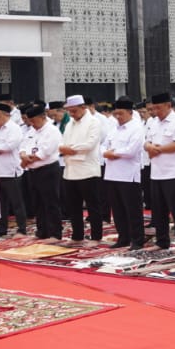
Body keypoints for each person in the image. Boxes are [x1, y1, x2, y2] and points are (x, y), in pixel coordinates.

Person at [143, 92, 175, 251]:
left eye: (159, 108)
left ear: (168, 106)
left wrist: (158, 149)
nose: (156, 111)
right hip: (156, 172)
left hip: (174, 173)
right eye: (153, 108)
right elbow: (147, 142)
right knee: (158, 211)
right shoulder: (152, 122)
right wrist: (149, 147)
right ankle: (162, 241)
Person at [58, 95, 104, 245]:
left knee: (93, 206)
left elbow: (90, 144)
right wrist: (68, 150)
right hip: (70, 169)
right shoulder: (70, 123)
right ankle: (77, 236)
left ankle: (96, 237)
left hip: (88, 170)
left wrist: (71, 149)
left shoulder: (94, 122)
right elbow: (63, 143)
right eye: (69, 111)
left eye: (74, 111)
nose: (72, 114)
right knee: (73, 206)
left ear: (83, 108)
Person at [101, 99, 145, 249]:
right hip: (112, 173)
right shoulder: (114, 129)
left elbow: (131, 151)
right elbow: (102, 147)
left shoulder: (137, 128)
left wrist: (113, 153)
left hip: (129, 175)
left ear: (130, 113)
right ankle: (123, 237)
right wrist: (106, 153)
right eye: (116, 114)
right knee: (117, 209)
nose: (118, 116)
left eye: (121, 113)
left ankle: (137, 240)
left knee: (132, 209)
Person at [19, 103, 63, 241]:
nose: (31, 123)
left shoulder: (52, 130)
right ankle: (42, 231)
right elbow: (23, 146)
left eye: (34, 120)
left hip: (48, 170)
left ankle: (55, 233)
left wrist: (27, 160)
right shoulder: (31, 131)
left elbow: (45, 152)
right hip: (33, 171)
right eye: (29, 121)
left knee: (51, 202)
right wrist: (23, 156)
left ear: (43, 117)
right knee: (37, 203)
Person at [0, 103, 28, 237]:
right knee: (0, 203)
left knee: (16, 202)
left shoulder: (14, 128)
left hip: (12, 171)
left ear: (6, 115)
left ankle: (22, 228)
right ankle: (1, 228)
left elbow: (9, 146)